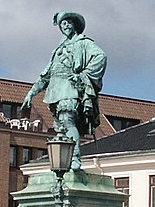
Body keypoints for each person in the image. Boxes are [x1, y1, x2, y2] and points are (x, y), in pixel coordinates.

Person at [20, 11, 107, 171]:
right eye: (62, 24)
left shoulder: (83, 42)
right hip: (55, 91)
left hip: (70, 89)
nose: (65, 26)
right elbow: (46, 75)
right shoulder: (58, 49)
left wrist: (83, 76)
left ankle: (75, 159)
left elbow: (100, 56)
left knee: (68, 122)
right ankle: (64, 163)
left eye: (68, 22)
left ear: (75, 25)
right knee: (61, 127)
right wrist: (31, 93)